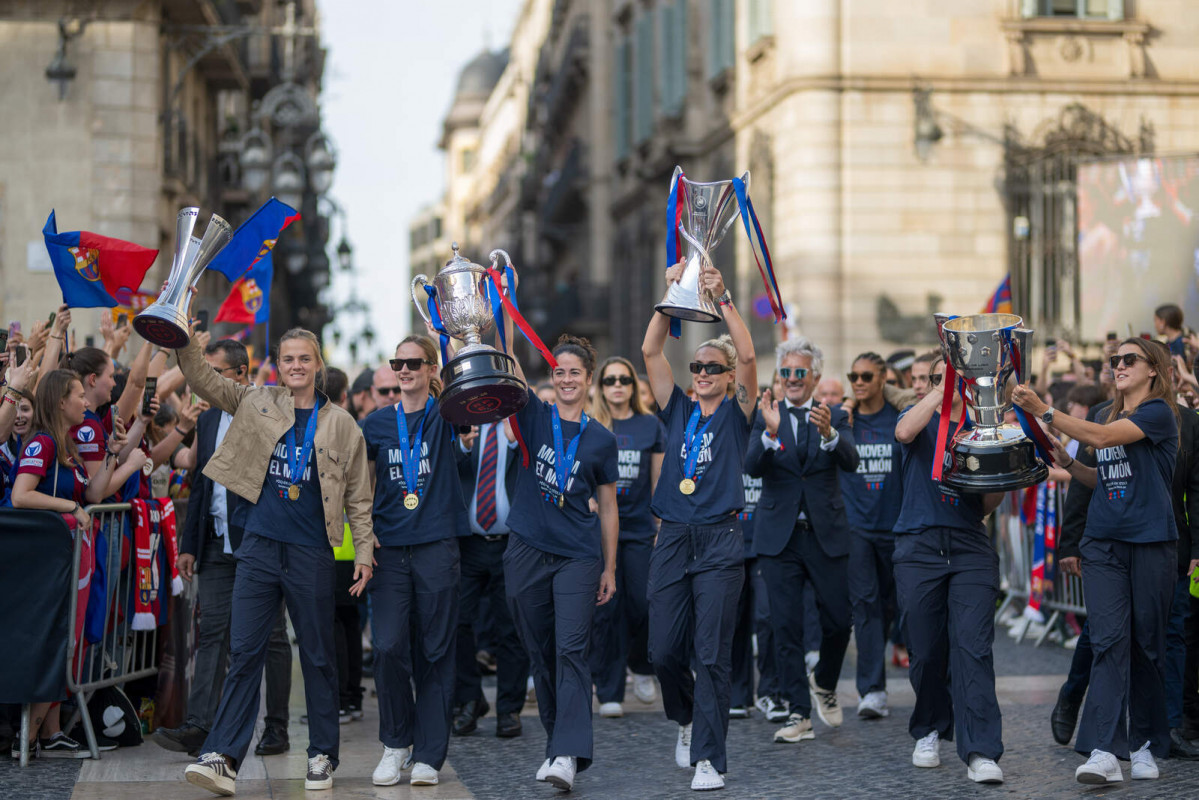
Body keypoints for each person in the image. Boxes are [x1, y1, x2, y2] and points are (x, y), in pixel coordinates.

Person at [178, 325, 375, 797]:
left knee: (318, 654)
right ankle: (224, 756)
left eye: (304, 359)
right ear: (278, 364)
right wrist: (181, 334)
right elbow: (203, 378)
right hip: (260, 547)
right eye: (288, 359)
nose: (296, 366)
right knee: (244, 652)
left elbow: (358, 498)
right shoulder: (256, 401)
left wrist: (364, 552)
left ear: (317, 364)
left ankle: (322, 754)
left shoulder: (342, 424)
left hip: (311, 551)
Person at [1014, 338, 1187, 784]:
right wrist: (1068, 463)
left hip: (1151, 542)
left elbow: (1107, 440)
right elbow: (1099, 474)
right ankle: (1104, 751)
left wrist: (1045, 411)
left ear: (1154, 369)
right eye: (1116, 360)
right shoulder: (1103, 413)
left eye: (1130, 359)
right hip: (1103, 542)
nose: (1119, 366)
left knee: (1146, 646)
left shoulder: (1159, 413)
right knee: (1110, 641)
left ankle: (1146, 743)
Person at [642, 260, 756, 791]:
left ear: (729, 377)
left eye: (713, 367)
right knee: (663, 650)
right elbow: (650, 351)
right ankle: (686, 718)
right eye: (698, 368)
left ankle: (709, 756)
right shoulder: (676, 410)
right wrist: (672, 295)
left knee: (711, 653)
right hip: (672, 536)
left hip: (720, 538)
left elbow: (751, 353)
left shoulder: (738, 413)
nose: (703, 374)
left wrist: (722, 297)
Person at [156, 339, 292, 759]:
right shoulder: (209, 418)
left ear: (239, 375)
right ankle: (199, 725)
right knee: (212, 632)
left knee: (269, 637)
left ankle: (276, 726)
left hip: (260, 542)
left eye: (213, 373)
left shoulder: (269, 411)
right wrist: (190, 545)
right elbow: (200, 483)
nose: (205, 382)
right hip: (216, 545)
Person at [500, 323, 618, 793]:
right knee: (540, 653)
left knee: (570, 650)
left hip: (578, 555)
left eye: (575, 372)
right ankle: (557, 744)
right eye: (558, 371)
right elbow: (508, 362)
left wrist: (608, 567)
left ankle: (567, 754)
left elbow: (609, 507)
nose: (566, 379)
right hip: (526, 547)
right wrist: (504, 303)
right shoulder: (532, 413)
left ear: (589, 379)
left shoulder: (602, 440)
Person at [894, 354, 1006, 785]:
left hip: (968, 546)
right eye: (937, 378)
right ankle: (930, 728)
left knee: (973, 648)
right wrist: (940, 393)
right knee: (924, 652)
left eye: (953, 378)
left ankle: (980, 750)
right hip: (918, 545)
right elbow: (903, 431)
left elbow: (989, 502)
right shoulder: (917, 418)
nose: (945, 384)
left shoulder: (982, 426)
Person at [361, 334, 467, 788]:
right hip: (388, 550)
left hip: (436, 546)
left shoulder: (447, 415)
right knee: (386, 647)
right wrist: (363, 542)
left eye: (413, 363)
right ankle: (395, 742)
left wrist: (461, 337)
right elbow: (361, 490)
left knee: (437, 651)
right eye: (397, 363)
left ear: (430, 370)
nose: (403, 370)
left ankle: (428, 754)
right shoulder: (376, 425)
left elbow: (477, 386)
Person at [10, 369, 129, 757]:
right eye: (79, 395)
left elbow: (95, 491)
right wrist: (71, 506)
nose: (85, 402)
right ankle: (25, 739)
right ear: (61, 401)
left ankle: (48, 733)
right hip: (44, 567)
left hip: (69, 561)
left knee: (70, 643)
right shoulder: (42, 443)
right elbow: (20, 496)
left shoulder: (67, 446)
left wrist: (112, 453)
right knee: (57, 643)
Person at [745, 338, 858, 746]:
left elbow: (851, 460)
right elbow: (751, 467)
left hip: (825, 533)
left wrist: (829, 434)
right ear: (780, 377)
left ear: (813, 378)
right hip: (779, 537)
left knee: (838, 618)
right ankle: (798, 712)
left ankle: (823, 680)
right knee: (785, 625)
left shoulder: (836, 415)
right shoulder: (766, 415)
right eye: (786, 373)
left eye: (800, 373)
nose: (792, 379)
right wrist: (771, 435)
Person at [589, 356, 666, 717]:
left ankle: (643, 664)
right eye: (609, 380)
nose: (617, 385)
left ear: (634, 386)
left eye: (624, 379)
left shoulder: (650, 425)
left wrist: (660, 528)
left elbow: (659, 483)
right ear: (600, 387)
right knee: (607, 610)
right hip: (599, 531)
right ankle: (610, 691)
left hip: (638, 529)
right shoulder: (591, 425)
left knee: (643, 602)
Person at [453, 414, 529, 739]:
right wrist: (461, 445)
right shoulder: (462, 422)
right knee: (455, 622)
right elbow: (446, 471)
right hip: (468, 544)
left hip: (511, 543)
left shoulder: (520, 424)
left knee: (511, 627)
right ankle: (470, 699)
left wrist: (517, 441)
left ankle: (509, 708)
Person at [841, 352, 904, 719]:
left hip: (897, 527)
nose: (859, 382)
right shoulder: (843, 420)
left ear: (883, 379)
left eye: (866, 376)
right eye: (854, 376)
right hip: (857, 529)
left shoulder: (900, 418)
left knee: (895, 608)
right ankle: (872, 690)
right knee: (865, 606)